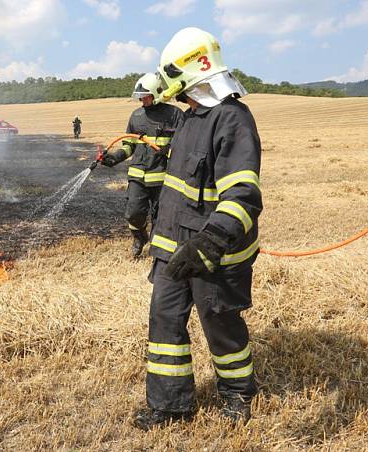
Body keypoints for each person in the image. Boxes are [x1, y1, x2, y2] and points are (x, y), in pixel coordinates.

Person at [133, 27, 263, 430]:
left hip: (213, 252)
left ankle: (239, 392)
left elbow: (243, 196)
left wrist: (212, 241)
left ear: (189, 72)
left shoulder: (232, 119)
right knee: (164, 319)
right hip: (173, 247)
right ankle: (170, 406)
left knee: (220, 323)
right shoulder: (191, 118)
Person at [101, 73, 184, 259]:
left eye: (145, 96)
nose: (142, 100)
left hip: (163, 177)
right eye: (140, 97)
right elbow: (129, 145)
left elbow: (185, 145)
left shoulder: (175, 115)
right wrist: (114, 158)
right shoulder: (136, 116)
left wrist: (168, 150)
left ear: (156, 94)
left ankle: (157, 251)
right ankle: (139, 237)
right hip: (138, 176)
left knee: (160, 216)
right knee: (133, 213)